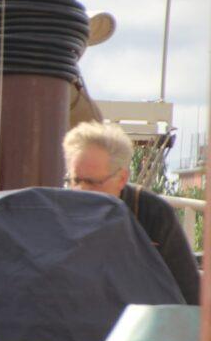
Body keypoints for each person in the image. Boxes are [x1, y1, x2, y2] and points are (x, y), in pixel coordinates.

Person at [63, 121, 199, 305]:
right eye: (75, 180)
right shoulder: (58, 212)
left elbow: (189, 295)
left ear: (122, 178)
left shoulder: (153, 215)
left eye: (93, 182)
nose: (81, 191)